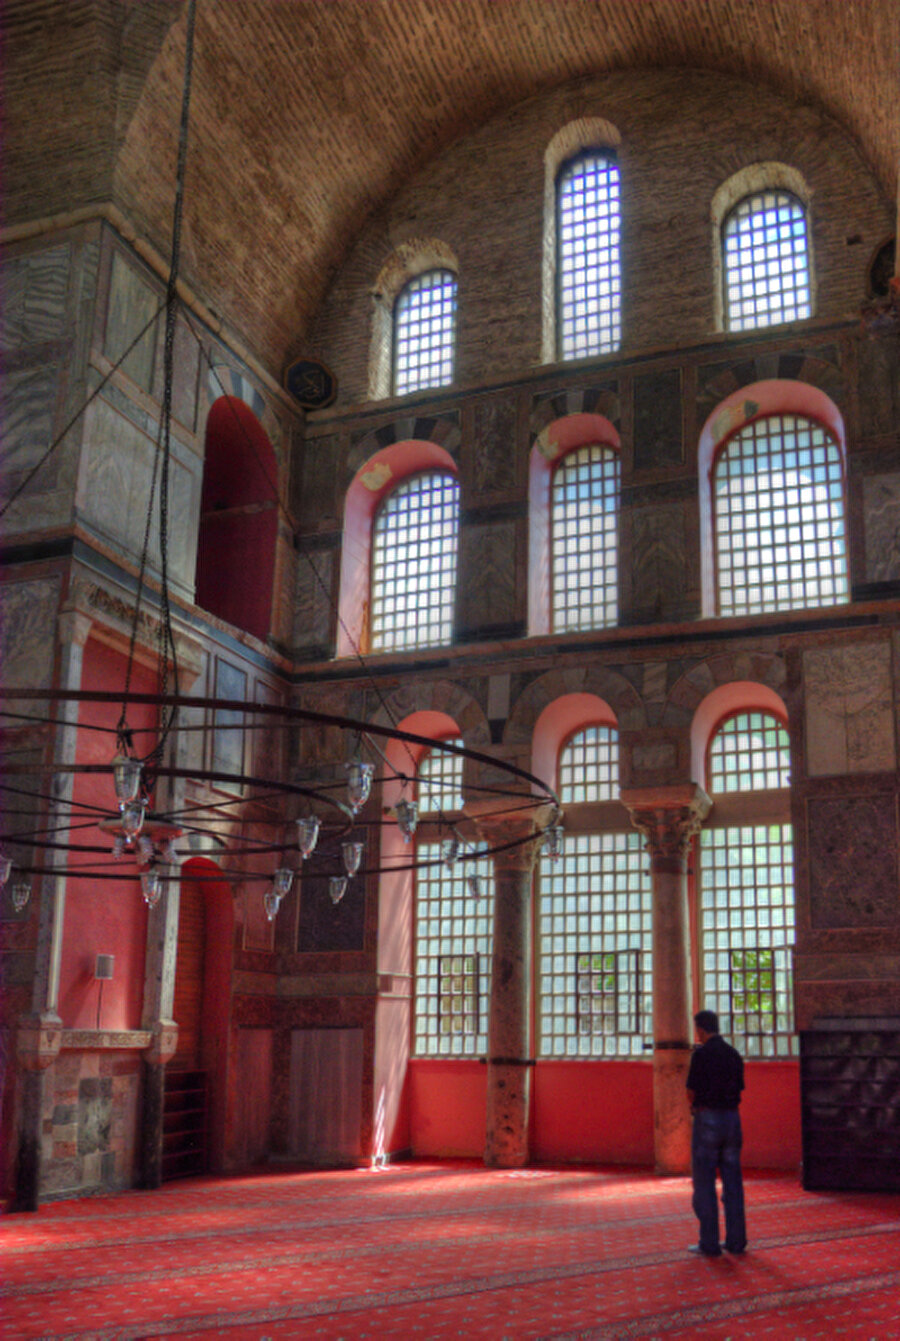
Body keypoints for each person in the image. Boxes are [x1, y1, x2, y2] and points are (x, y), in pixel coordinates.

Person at [686, 1009, 747, 1257]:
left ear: (700, 1029)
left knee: (705, 1182)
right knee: (733, 1182)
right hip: (732, 1120)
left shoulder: (700, 1055)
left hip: (707, 1119)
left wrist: (695, 1108)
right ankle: (736, 1241)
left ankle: (709, 1243)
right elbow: (740, 1088)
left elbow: (691, 1091)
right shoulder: (733, 1054)